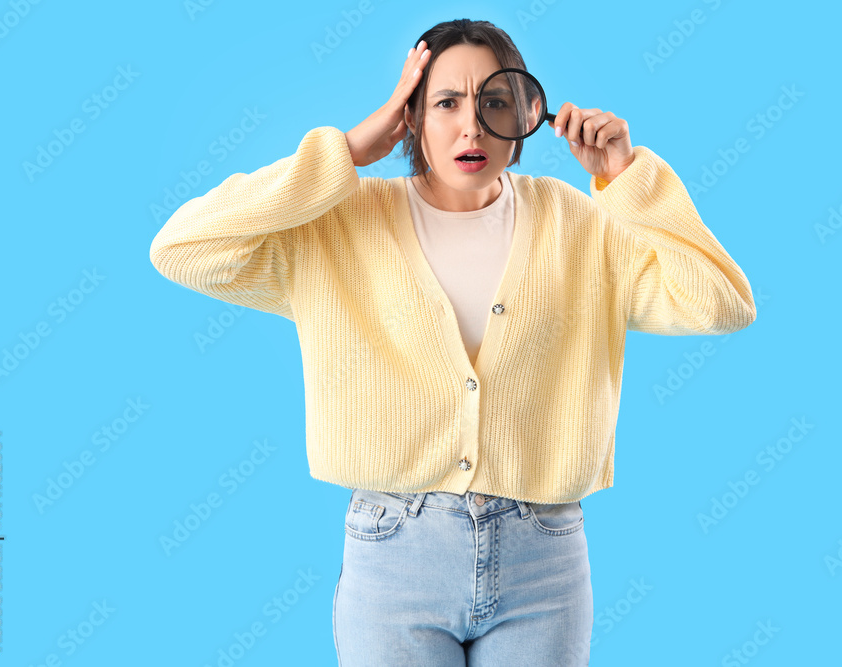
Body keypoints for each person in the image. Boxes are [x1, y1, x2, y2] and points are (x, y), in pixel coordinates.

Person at [149, 18, 756, 667]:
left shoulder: (580, 223)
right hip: (394, 554)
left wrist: (629, 177)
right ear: (409, 117)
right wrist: (343, 154)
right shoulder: (337, 226)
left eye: (493, 101)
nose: (472, 126)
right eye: (446, 102)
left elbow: (720, 301)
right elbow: (183, 250)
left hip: (543, 559)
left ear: (524, 112)